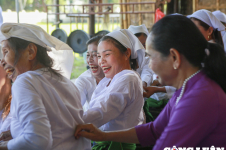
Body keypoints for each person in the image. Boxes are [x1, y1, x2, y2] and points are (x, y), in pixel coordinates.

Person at [75, 15, 226, 148]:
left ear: (174, 57)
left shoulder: (200, 97)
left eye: (152, 57)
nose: (150, 66)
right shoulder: (188, 88)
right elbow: (154, 130)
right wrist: (104, 136)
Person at [0, 23, 91, 150]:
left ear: (30, 52)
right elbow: (58, 128)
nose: (2, 61)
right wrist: (12, 133)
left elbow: (37, 141)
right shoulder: (66, 82)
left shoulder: (25, 81)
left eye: (6, 52)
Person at [83, 29, 145, 150]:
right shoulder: (108, 80)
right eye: (99, 56)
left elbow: (102, 111)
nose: (101, 61)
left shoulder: (128, 78)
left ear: (127, 53)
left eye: (107, 55)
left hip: (116, 145)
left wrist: (71, 121)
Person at [75, 35, 105, 111]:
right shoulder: (84, 80)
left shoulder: (117, 77)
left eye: (95, 55)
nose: (89, 60)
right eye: (88, 55)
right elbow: (74, 106)